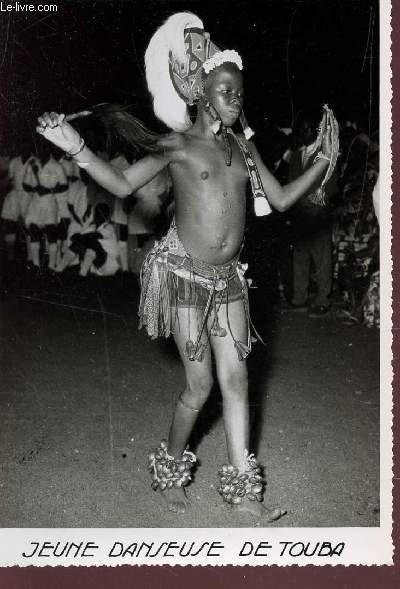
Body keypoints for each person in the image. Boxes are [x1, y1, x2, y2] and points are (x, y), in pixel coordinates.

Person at [36, 12, 337, 521]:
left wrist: (323, 161)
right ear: (200, 92)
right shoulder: (176, 145)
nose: (234, 98)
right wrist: (79, 149)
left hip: (230, 283)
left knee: (237, 382)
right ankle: (170, 465)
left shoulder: (244, 148)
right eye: (224, 89)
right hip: (183, 278)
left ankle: (246, 492)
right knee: (200, 387)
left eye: (239, 91)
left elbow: (282, 199)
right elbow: (123, 184)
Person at [287, 109, 338, 317]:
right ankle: (299, 298)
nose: (306, 131)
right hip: (300, 215)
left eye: (310, 128)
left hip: (319, 216)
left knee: (322, 260)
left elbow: (332, 186)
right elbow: (290, 184)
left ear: (317, 131)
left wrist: (318, 201)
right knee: (300, 258)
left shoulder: (326, 154)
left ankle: (322, 300)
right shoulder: (296, 156)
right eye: (303, 129)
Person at [24, 146, 68, 272]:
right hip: (35, 203)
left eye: (42, 149)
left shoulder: (57, 166)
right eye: (38, 150)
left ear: (48, 150)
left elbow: (64, 185)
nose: (39, 152)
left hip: (50, 203)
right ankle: (36, 266)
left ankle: (51, 267)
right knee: (34, 231)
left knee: (51, 234)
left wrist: (49, 190)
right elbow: (25, 184)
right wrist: (34, 189)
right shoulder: (32, 164)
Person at [1, 147, 35, 264]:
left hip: (29, 196)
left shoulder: (35, 161)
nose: (24, 148)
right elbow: (8, 180)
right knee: (10, 224)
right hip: (14, 195)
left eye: (27, 145)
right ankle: (10, 258)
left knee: (29, 226)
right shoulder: (14, 162)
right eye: (22, 145)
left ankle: (30, 257)